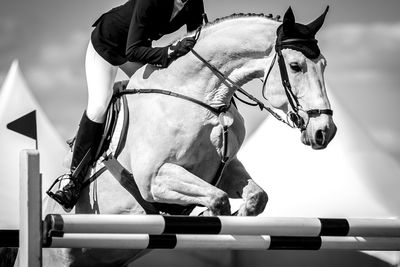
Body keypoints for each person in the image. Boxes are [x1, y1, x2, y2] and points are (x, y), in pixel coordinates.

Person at [49, 0, 206, 211]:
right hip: (108, 45)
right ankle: (72, 180)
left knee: (161, 96)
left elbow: (197, 39)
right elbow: (133, 50)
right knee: (98, 105)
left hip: (138, 48)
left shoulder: (194, 2)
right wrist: (169, 51)